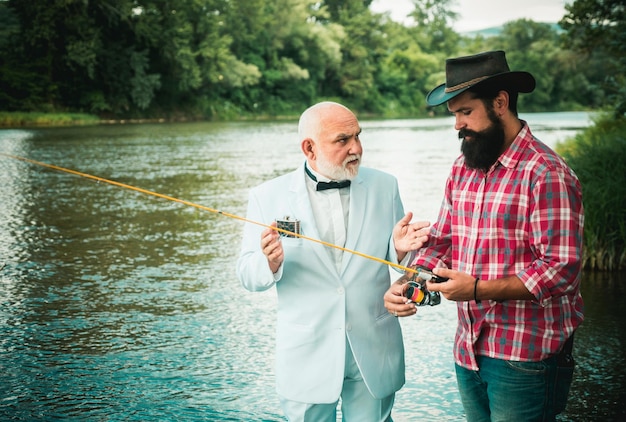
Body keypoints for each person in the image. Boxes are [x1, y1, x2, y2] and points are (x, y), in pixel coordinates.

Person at [384, 51, 584, 421]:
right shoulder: (463, 167)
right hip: (468, 351)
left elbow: (560, 270)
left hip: (527, 358)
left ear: (500, 103)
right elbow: (443, 242)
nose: (457, 125)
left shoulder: (547, 173)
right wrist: (410, 280)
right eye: (454, 114)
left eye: (465, 112)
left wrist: (476, 288)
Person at [237, 101, 430, 421]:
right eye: (343, 140)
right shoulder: (267, 196)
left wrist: (399, 251)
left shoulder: (385, 185)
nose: (356, 148)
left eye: (358, 136)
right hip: (306, 357)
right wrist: (269, 262)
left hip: (374, 349)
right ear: (309, 148)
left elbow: (403, 262)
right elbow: (247, 274)